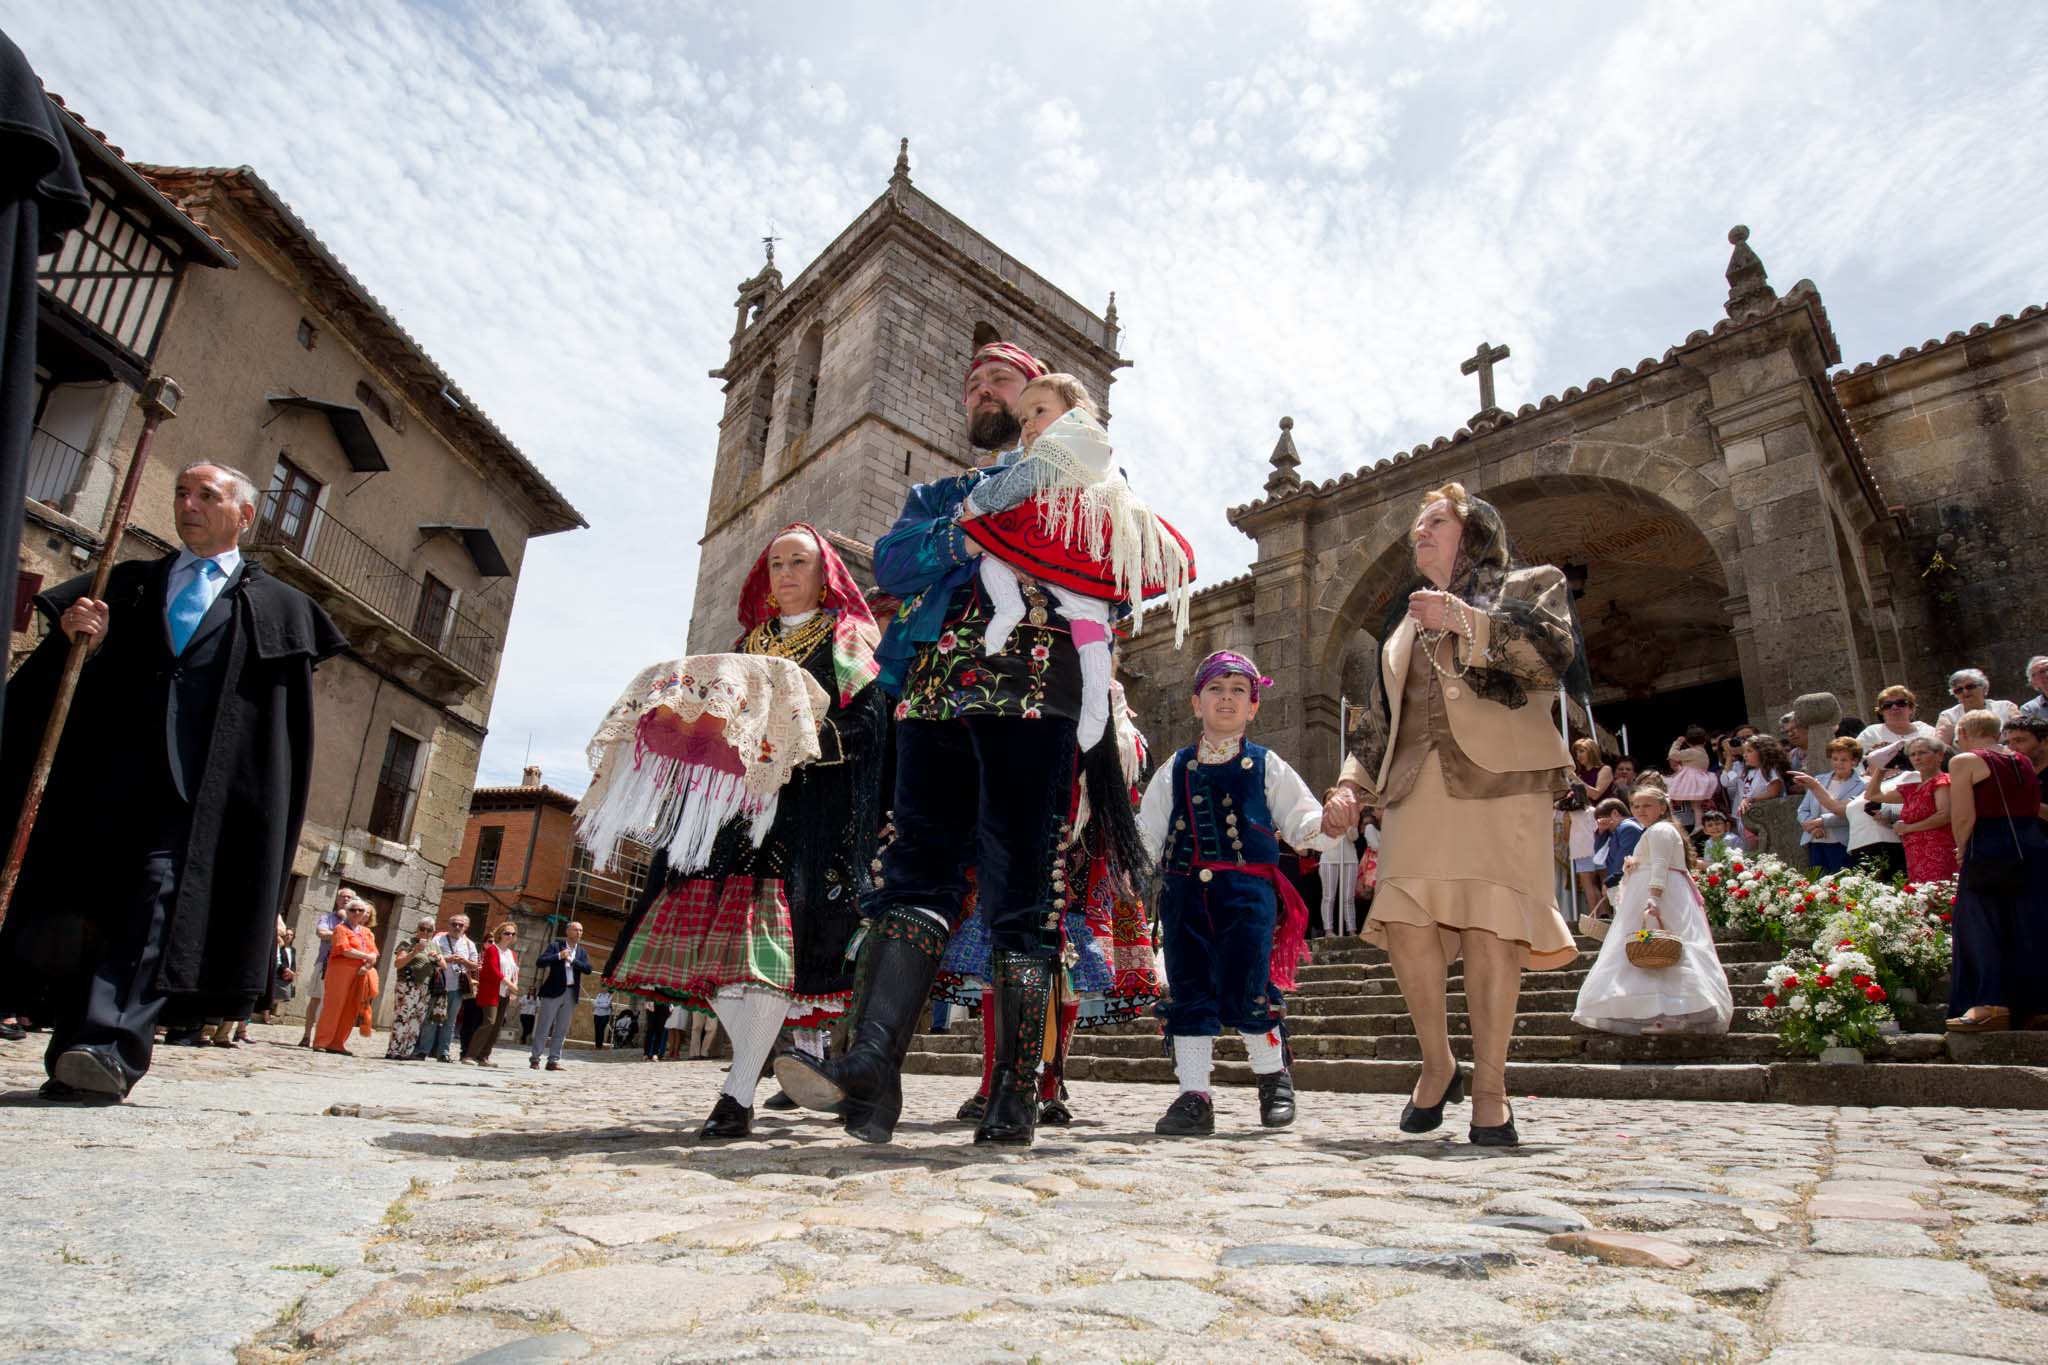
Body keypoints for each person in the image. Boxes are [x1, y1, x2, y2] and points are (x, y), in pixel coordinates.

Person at [779, 339, 1144, 1150]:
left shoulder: (1089, 477)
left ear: (1042, 401)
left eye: (1004, 380)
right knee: (913, 873)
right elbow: (900, 562)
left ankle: (1015, 1091)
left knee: (1023, 885)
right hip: (936, 695)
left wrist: (1001, 534)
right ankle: (871, 1065)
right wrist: (974, 536)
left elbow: (1118, 565)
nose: (986, 389)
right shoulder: (939, 491)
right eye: (974, 380)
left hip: (1036, 694)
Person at [0, 463, 348, 1100]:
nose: (188, 505)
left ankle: (107, 1048)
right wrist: (83, 641)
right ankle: (74, 1051)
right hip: (110, 784)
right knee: (93, 909)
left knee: (155, 905)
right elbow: (67, 686)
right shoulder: (126, 587)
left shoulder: (277, 610)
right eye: (181, 493)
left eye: (206, 496)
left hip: (200, 798)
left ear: (244, 516)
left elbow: (279, 733)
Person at [1328, 481, 1588, 1149]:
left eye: (1435, 521)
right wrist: (1351, 786)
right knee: (1407, 922)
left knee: (1491, 927)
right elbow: (1377, 721)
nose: (1421, 533)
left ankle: (1493, 1090)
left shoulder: (1534, 583)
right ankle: (1439, 1062)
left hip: (1503, 782)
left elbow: (1552, 655)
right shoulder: (1402, 628)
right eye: (1417, 526)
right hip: (1417, 789)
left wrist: (1465, 620)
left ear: (1473, 532)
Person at [608, 524, 885, 1138]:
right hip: (729, 816)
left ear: (825, 574)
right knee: (727, 955)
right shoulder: (742, 649)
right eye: (777, 563)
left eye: (799, 563)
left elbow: (868, 729)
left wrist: (797, 747)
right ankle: (765, 1061)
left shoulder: (847, 644)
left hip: (803, 817)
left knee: (766, 952)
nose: (786, 573)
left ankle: (738, 1093)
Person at [1136, 652, 1340, 1136]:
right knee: (1189, 989)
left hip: (1247, 895)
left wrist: (1325, 827)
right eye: (1215, 689)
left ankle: (1273, 1080)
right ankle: (1193, 1096)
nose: (1226, 698)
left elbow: (1301, 818)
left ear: (1253, 707)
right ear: (1196, 702)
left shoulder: (1267, 765)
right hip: (1184, 895)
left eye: (1238, 691)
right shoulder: (1175, 767)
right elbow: (1147, 829)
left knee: (1249, 987)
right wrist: (1131, 865)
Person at [957, 374, 1190, 753]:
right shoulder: (1055, 447)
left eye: (1039, 411)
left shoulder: (1075, 440)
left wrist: (976, 503)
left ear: (1075, 412)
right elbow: (1020, 465)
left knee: (1079, 609)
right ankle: (1011, 609)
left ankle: (1096, 700)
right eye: (1024, 418)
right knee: (1005, 565)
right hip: (1054, 536)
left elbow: (1023, 479)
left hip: (1072, 535)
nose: (1029, 423)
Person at [1573, 784, 1732, 1035]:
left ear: (1662, 807)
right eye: (1636, 806)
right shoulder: (1654, 830)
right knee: (1653, 947)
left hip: (1661, 894)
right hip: (1653, 891)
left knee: (1666, 945)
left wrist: (1654, 898)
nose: (1640, 810)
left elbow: (1659, 864)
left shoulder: (1660, 829)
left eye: (1647, 805)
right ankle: (1665, 1010)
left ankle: (1680, 1010)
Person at [1945, 710, 2048, 1032]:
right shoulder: (2022, 760)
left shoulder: (1964, 761)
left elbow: (1963, 814)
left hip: (1990, 845)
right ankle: (2036, 1006)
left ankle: (1990, 1004)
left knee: (1978, 925)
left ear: (1963, 731)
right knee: (2026, 926)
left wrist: (1962, 848)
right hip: (2031, 844)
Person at [1868, 735, 1958, 884]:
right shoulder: (1913, 788)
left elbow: (1944, 815)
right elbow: (1872, 795)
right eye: (1913, 754)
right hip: (1915, 851)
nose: (1917, 758)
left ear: (1940, 755)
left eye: (1922, 753)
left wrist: (1909, 828)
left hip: (1938, 849)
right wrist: (1882, 767)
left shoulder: (1942, 782)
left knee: (1939, 894)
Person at [313, 899, 379, 1054]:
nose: (356, 913)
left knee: (351, 1007)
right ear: (347, 912)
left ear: (364, 914)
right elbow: (344, 950)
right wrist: (366, 957)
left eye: (360, 911)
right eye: (353, 910)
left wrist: (367, 965)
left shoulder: (367, 932)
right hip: (340, 972)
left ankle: (337, 1043)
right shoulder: (340, 929)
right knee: (333, 1006)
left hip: (360, 973)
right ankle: (321, 1041)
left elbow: (374, 953)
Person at [1791, 737, 1864, 873]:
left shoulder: (1863, 785)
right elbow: (1803, 809)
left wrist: (1821, 822)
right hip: (1815, 841)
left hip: (1842, 843)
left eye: (1843, 760)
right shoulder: (1819, 779)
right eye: (1835, 759)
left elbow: (1849, 813)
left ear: (1854, 762)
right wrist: (1812, 827)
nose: (1838, 763)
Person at [529, 921, 593, 1072]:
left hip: (570, 993)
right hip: (552, 992)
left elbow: (588, 969)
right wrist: (559, 956)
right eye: (576, 929)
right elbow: (540, 962)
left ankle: (553, 1060)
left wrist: (572, 961)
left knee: (562, 1029)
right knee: (544, 1027)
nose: (579, 933)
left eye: (581, 930)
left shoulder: (582, 952)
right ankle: (535, 1059)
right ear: (567, 931)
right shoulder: (555, 947)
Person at [415, 914, 477, 1063]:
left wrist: (464, 961)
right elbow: (430, 957)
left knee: (450, 1022)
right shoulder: (438, 939)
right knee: (431, 1018)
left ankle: (443, 1053)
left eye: (460, 925)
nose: (457, 927)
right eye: (454, 924)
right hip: (438, 985)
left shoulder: (469, 944)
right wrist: (448, 959)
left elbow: (475, 965)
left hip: (457, 988)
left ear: (465, 928)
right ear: (449, 925)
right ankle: (423, 1050)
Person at [297, 891, 354, 1048]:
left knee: (331, 1003)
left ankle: (322, 1038)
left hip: (343, 968)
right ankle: (307, 1035)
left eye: (349, 897)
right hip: (324, 963)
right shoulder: (327, 918)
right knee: (315, 999)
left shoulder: (355, 923)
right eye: (343, 896)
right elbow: (321, 933)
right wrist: (341, 933)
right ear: (337, 899)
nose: (346, 899)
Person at [1568, 738, 1614, 923]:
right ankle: (1596, 916)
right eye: (1577, 752)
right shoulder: (1578, 773)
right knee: (1586, 874)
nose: (1579, 756)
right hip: (1582, 824)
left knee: (1604, 872)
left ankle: (1609, 913)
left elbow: (1596, 793)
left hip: (1602, 821)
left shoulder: (1605, 770)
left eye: (1582, 751)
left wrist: (1575, 780)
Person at [384, 915, 442, 1060]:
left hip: (425, 987)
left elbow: (444, 966)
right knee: (403, 1017)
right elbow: (398, 963)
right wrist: (414, 951)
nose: (425, 932)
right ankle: (394, 1051)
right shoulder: (407, 942)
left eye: (429, 930)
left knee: (417, 1019)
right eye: (422, 929)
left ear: (433, 932)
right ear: (417, 929)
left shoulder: (434, 945)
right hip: (408, 984)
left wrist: (438, 958)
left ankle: (407, 1052)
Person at [462, 923, 519, 1066]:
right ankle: (469, 1055)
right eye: (507, 933)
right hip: (491, 991)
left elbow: (515, 971)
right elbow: (493, 970)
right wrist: (509, 983)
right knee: (489, 1022)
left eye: (512, 934)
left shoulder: (512, 954)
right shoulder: (493, 950)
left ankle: (484, 1057)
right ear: (500, 934)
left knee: (497, 1026)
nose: (509, 936)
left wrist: (514, 986)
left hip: (504, 993)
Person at [1319, 789, 1363, 939]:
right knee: (1329, 896)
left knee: (1348, 897)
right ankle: (1329, 930)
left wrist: (1347, 825)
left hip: (1349, 858)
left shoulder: (1350, 816)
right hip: (1329, 859)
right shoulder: (1321, 817)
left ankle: (1351, 929)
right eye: (1330, 799)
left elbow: (1354, 837)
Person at [1937, 669, 2021, 746]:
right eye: (1958, 690)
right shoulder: (1948, 716)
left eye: (1970, 687)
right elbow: (1940, 746)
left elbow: (2023, 732)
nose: (1965, 692)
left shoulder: (2005, 707)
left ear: (1984, 688)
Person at [1856, 685, 1938, 754]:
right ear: (1881, 711)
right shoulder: (1871, 734)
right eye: (1887, 705)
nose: (1894, 707)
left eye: (1901, 703)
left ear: (1911, 708)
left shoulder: (1927, 731)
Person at [1664, 726, 1719, 828]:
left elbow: (1673, 755)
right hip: (1699, 779)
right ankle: (1698, 825)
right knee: (1696, 806)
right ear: (1704, 741)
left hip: (1691, 780)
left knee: (1672, 797)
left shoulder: (1692, 752)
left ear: (1688, 742)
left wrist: (1678, 742)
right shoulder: (1703, 751)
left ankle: (1677, 822)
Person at [1598, 797, 1644, 905]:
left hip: (1626, 882)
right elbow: (1599, 857)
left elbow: (1625, 858)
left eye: (1602, 818)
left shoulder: (1627, 828)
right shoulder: (1615, 830)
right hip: (1620, 881)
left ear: (1615, 813)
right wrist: (1601, 832)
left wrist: (1611, 881)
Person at [2001, 715, 2048, 813]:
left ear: (2045, 741)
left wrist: (2023, 801)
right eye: (2008, 742)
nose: (2011, 748)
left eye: (2019, 741)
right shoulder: (2010, 772)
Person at [1735, 737, 1788, 819]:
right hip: (1751, 815)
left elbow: (1774, 792)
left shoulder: (1770, 770)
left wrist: (1750, 800)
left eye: (1749, 751)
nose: (1744, 755)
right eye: (1744, 752)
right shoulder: (1750, 772)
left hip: (1767, 815)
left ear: (1763, 752)